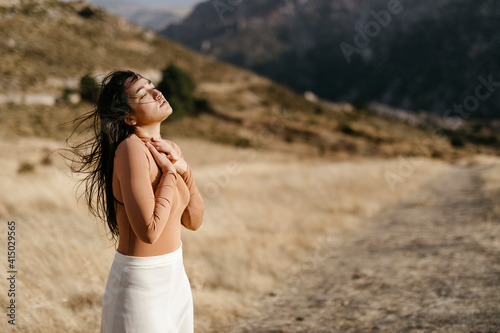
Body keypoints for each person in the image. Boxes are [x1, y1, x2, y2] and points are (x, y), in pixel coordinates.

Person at [66, 70, 204, 332]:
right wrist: (171, 174)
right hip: (141, 286)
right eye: (143, 94)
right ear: (129, 117)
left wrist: (185, 170)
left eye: (152, 86)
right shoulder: (130, 149)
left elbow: (194, 221)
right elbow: (148, 231)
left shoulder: (170, 148)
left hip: (176, 278)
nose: (156, 93)